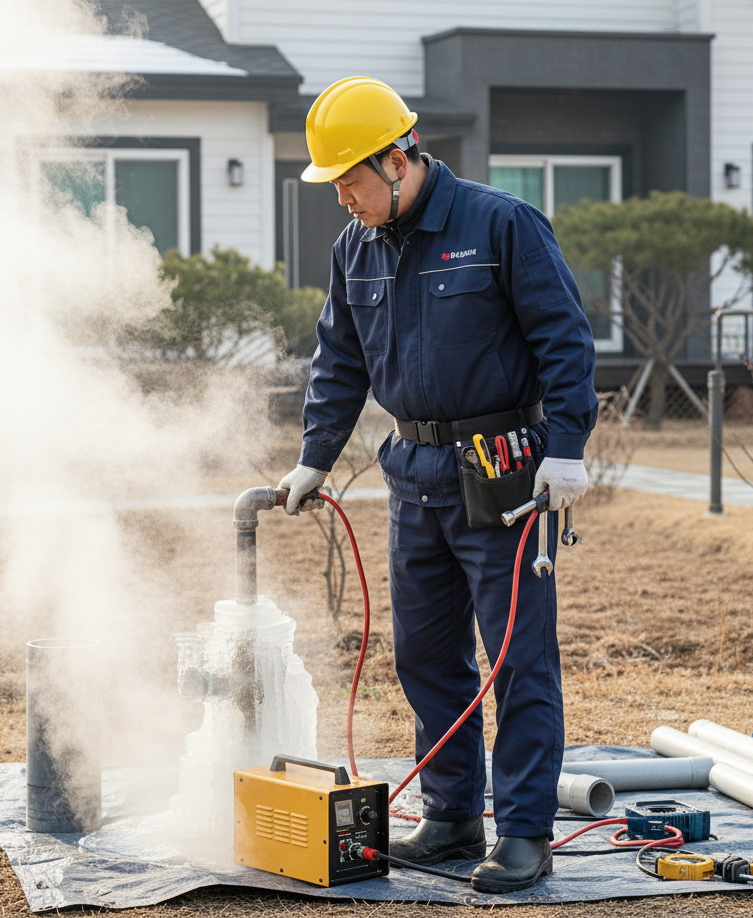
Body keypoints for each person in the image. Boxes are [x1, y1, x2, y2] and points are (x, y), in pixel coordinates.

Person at [279, 76, 598, 894]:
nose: (343, 198)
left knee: (518, 660)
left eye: (351, 179)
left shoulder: (500, 225)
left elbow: (565, 340)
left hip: (505, 475)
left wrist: (567, 447)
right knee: (426, 656)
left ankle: (524, 832)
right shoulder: (355, 249)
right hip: (414, 474)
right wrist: (316, 456)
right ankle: (453, 815)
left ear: (398, 160)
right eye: (334, 184)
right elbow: (339, 359)